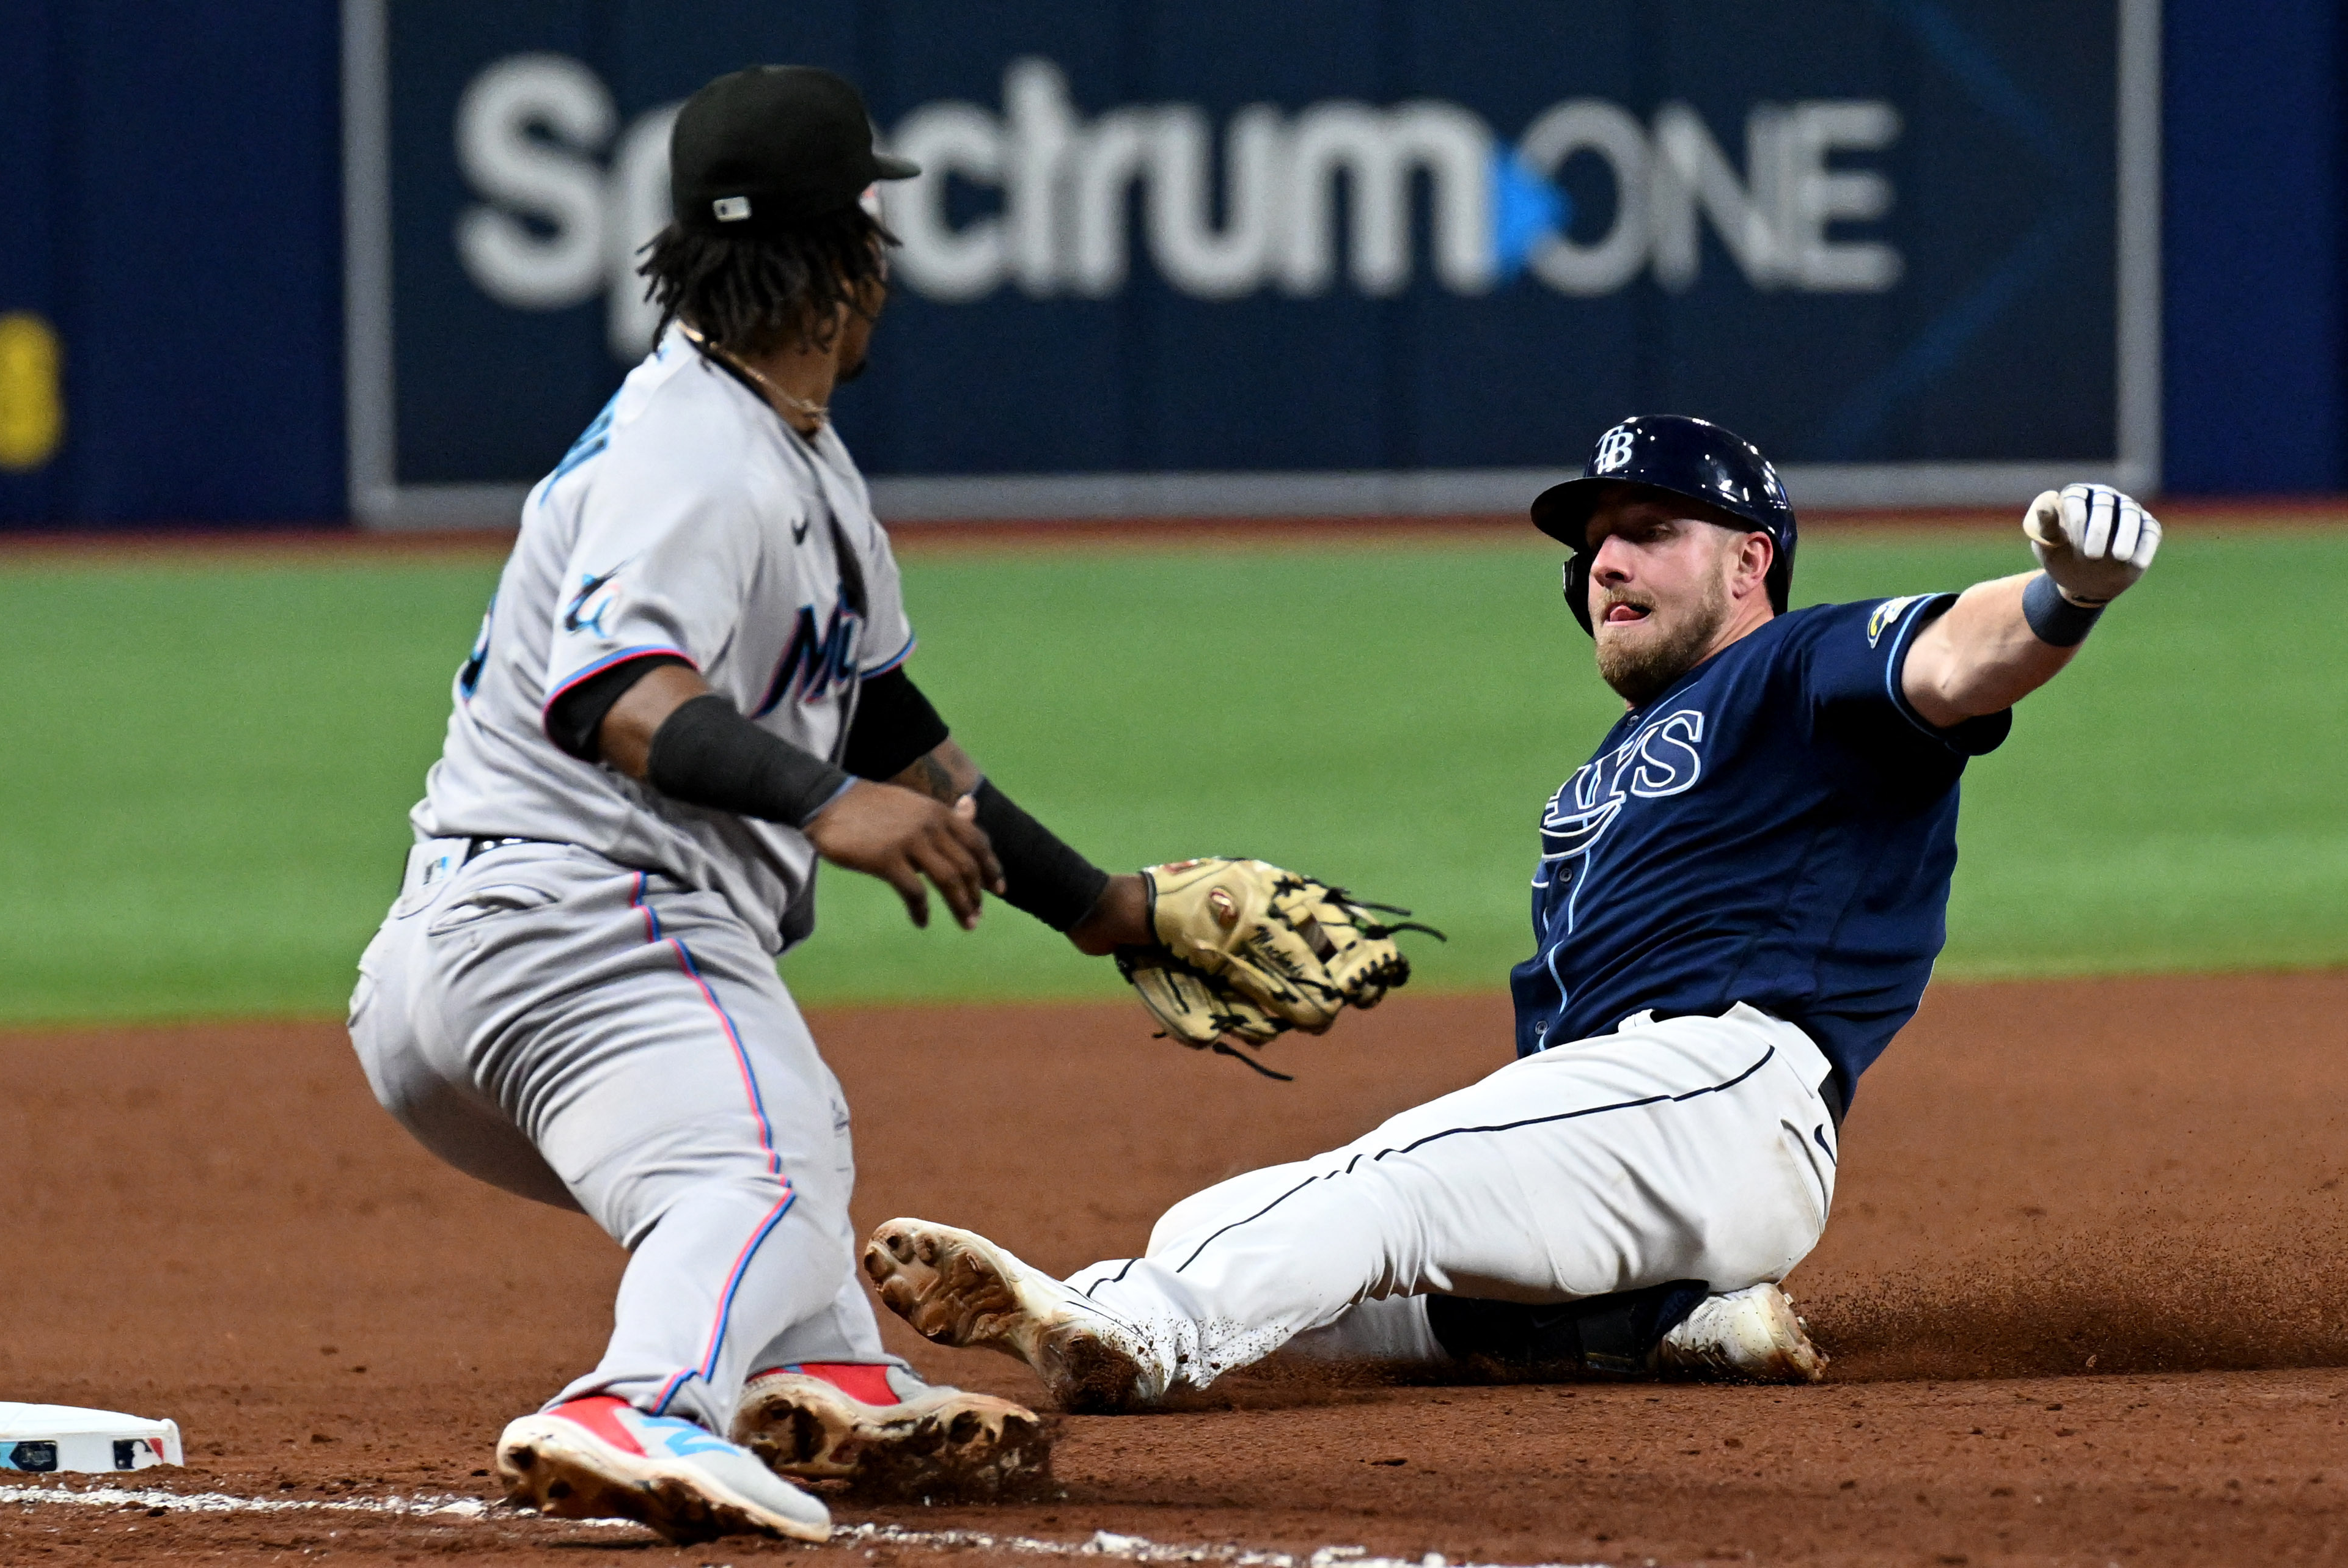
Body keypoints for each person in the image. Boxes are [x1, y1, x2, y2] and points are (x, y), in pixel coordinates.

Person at [345, 65, 1275, 1544]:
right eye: (872, 230)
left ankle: (824, 1376)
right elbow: (615, 699)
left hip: (465, 964)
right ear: (843, 270)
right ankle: (637, 1401)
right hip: (581, 923)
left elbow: (896, 727)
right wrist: (825, 802)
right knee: (762, 1163)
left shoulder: (781, 446)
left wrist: (1101, 906)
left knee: (785, 1146)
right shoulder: (696, 460)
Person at [860, 415, 2164, 1411]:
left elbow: (1954, 656)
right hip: (1629, 1122)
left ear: (1749, 559)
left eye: (1652, 527)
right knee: (1285, 1269)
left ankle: (1127, 1330)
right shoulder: (1608, 767)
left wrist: (2065, 595)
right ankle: (1669, 1322)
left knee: (1375, 1192)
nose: (1606, 558)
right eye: (1595, 539)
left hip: (1718, 1085)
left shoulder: (1800, 663)